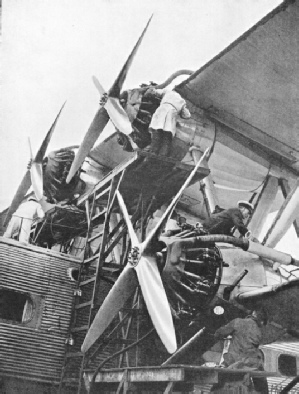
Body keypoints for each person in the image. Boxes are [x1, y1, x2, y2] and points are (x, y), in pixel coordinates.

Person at [212, 310, 269, 393]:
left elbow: (218, 333)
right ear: (261, 320)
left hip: (234, 360)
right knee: (261, 384)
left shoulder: (238, 322)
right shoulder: (259, 332)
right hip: (251, 361)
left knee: (219, 384)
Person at [148, 89, 191, 156]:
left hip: (162, 110)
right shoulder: (182, 101)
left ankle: (153, 152)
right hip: (172, 114)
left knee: (156, 132)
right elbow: (187, 115)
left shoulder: (168, 91)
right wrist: (179, 112)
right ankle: (163, 154)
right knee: (167, 136)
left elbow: (155, 92)